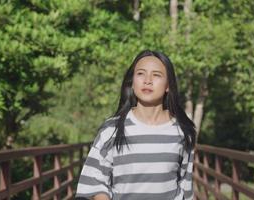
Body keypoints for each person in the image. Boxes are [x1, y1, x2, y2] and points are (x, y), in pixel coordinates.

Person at [75, 50, 196, 200]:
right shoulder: (111, 129)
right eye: (140, 74)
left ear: (168, 86)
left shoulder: (183, 131)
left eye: (156, 75)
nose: (147, 80)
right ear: (132, 82)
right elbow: (93, 180)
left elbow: (186, 186)